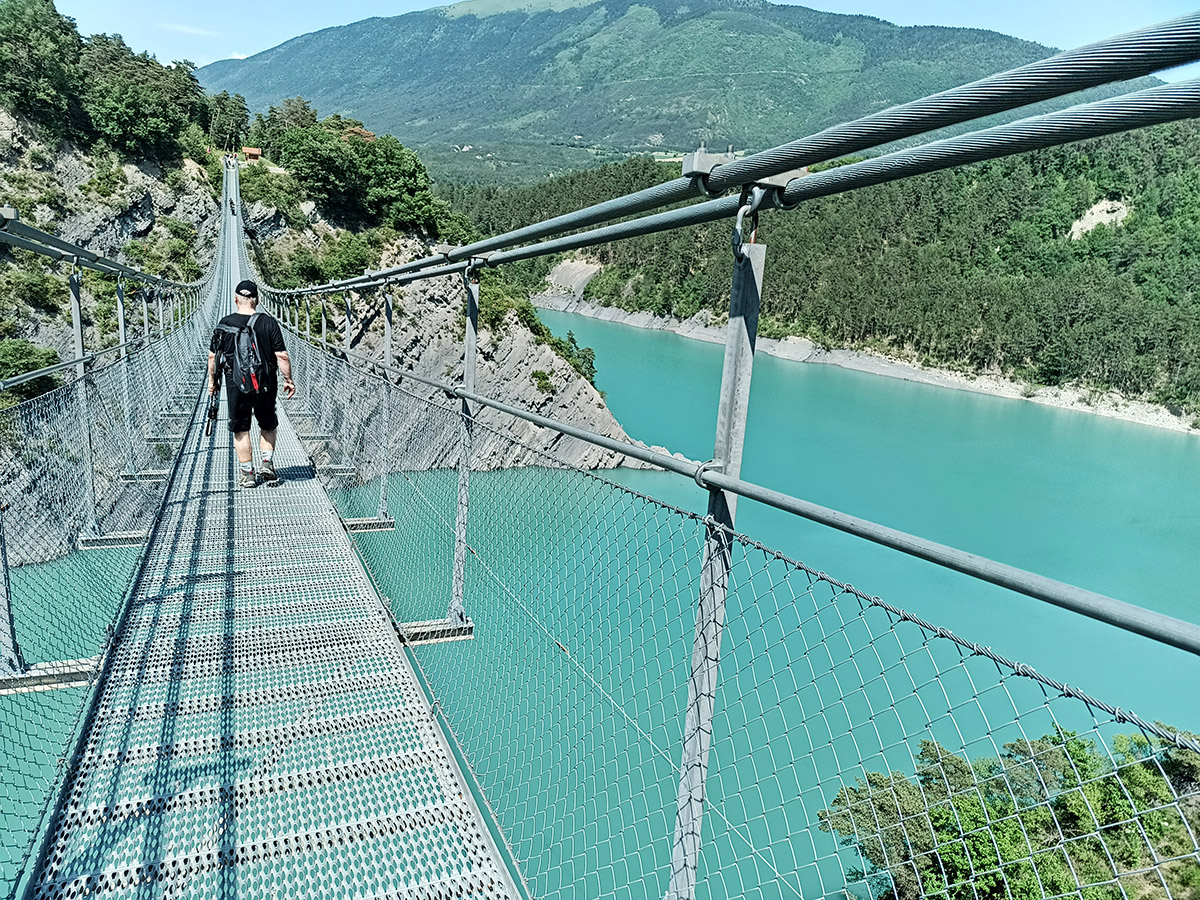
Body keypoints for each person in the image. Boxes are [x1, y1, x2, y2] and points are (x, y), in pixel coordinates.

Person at [208, 279, 296, 487]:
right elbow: (282, 356)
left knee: (241, 429)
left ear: (235, 299)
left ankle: (248, 474)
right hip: (266, 383)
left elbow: (213, 357)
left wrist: (213, 382)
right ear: (257, 300)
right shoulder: (269, 323)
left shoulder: (224, 324)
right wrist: (288, 380)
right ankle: (267, 463)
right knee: (267, 424)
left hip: (236, 384)